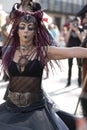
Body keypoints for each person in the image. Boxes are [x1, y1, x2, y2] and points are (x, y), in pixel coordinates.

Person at [1, 1, 87, 130]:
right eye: (22, 26)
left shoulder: (44, 51)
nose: (26, 31)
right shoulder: (7, 50)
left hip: (37, 110)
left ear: (36, 31)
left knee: (75, 124)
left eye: (30, 27)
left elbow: (73, 51)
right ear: (17, 29)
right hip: (11, 108)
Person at [65, 17, 83, 87]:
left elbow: (82, 39)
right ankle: (68, 81)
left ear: (79, 22)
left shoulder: (81, 29)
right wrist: (70, 29)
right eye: (74, 22)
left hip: (79, 50)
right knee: (70, 66)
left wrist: (76, 30)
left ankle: (79, 82)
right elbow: (66, 39)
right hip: (70, 50)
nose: (75, 24)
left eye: (77, 22)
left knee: (79, 67)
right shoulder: (70, 29)